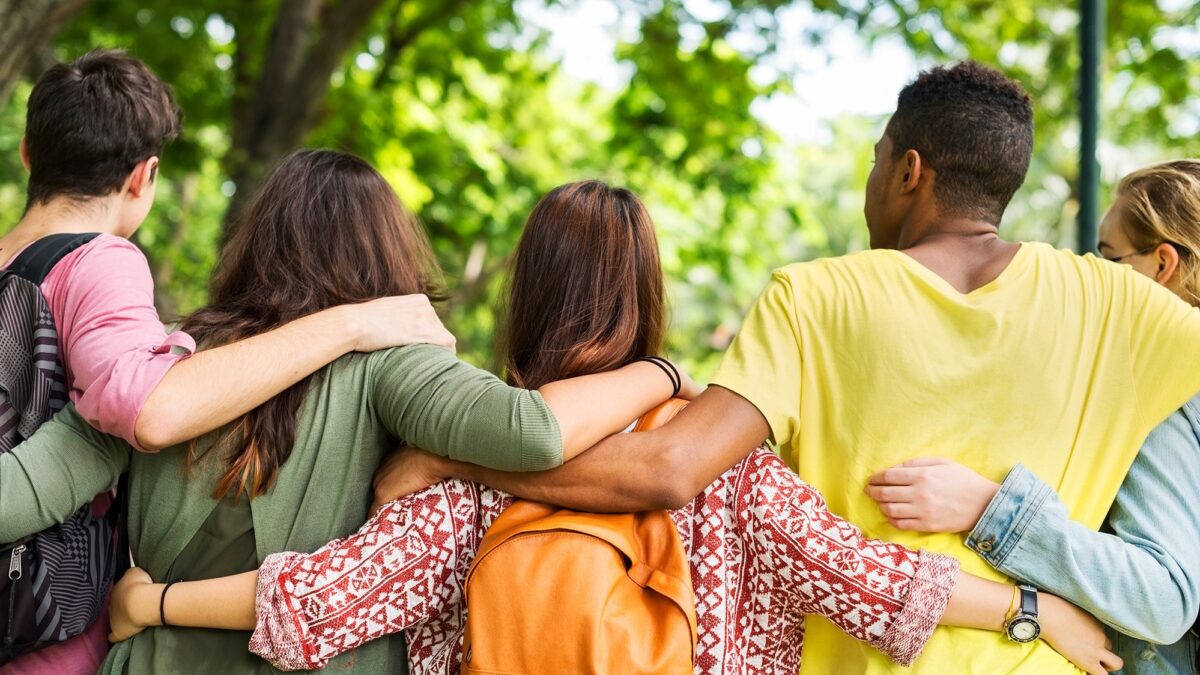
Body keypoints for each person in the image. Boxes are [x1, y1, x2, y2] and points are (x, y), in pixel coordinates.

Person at [365, 62, 1200, 675]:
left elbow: (669, 469)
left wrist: (457, 456)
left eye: (877, 158)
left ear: (910, 171)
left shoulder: (814, 296)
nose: (870, 178)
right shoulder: (1125, 307)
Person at [107, 180, 1115, 674]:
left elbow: (318, 604)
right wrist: (1038, 613)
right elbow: (880, 585)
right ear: (649, 293)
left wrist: (151, 605)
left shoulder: (462, 470)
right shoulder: (733, 461)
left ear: (526, 299)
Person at [0, 151, 697, 674]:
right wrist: (659, 369)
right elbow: (535, 430)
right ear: (385, 249)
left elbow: (16, 497)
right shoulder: (395, 365)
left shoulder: (170, 366)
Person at [0, 50, 449, 675]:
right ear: (144, 176)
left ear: (26, 153)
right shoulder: (101, 258)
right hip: (45, 616)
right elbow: (149, 408)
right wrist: (354, 321)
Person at [864, 159, 1200, 674]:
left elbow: (1163, 597)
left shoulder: (1165, 393)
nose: (1090, 271)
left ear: (1163, 265)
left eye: (1109, 257)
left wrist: (989, 509)